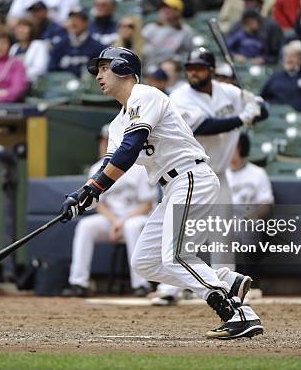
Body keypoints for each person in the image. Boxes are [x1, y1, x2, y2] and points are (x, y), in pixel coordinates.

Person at [60, 46, 264, 339]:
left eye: (104, 68)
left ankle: (236, 313)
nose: (98, 76)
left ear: (123, 69)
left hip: (191, 176)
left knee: (175, 255)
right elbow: (110, 162)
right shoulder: (118, 122)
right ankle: (224, 280)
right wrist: (83, 194)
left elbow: (130, 151)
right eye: (98, 71)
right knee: (145, 260)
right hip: (173, 187)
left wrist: (95, 188)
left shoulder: (146, 95)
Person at [154, 47, 266, 306]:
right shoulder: (180, 96)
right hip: (186, 175)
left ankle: (228, 289)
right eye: (190, 68)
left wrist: (256, 104)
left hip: (219, 174)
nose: (194, 72)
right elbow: (206, 126)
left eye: (199, 67)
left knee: (221, 236)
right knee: (177, 235)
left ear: (211, 70)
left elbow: (264, 113)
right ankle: (168, 290)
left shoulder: (228, 92)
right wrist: (242, 117)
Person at [62, 124, 156, 298]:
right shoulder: (96, 168)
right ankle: (78, 282)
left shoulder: (139, 166)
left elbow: (147, 205)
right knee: (86, 226)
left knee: (132, 227)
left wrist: (122, 222)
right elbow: (100, 204)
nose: (103, 144)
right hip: (112, 221)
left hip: (138, 219)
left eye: (107, 140)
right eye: (102, 141)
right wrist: (114, 221)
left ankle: (141, 285)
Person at [260, 40, 301, 112]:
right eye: (286, 55)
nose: (288, 59)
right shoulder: (275, 77)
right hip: (275, 116)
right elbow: (262, 96)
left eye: (293, 56)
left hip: (299, 117)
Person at [48, 10, 106, 77]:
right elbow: (51, 71)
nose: (73, 22)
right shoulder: (59, 46)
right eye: (71, 19)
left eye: (78, 19)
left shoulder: (97, 47)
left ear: (86, 23)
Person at [142, 0, 194, 68]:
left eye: (169, 8)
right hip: (149, 66)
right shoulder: (151, 27)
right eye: (163, 7)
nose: (165, 10)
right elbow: (140, 47)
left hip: (172, 68)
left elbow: (189, 54)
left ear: (178, 11)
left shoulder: (186, 31)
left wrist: (175, 60)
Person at [226, 133, 274, 205]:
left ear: (241, 148)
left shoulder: (258, 173)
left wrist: (253, 216)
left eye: (231, 146)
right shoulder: (220, 174)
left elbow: (267, 204)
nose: (226, 150)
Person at [9, 16, 49, 83]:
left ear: (31, 29)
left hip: (34, 83)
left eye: (24, 27)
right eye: (18, 28)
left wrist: (18, 75)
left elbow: (40, 69)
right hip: (14, 82)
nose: (20, 30)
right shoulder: (14, 48)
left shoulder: (39, 45)